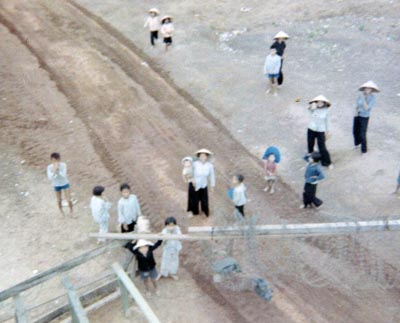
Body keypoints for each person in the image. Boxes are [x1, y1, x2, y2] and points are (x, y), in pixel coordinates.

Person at [353, 81, 380, 154]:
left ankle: (364, 150)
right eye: (366, 89)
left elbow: (367, 108)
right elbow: (357, 105)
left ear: (371, 90)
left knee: (362, 133)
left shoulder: (372, 98)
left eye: (369, 89)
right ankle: (357, 143)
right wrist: (355, 113)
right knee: (355, 131)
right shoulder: (360, 95)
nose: (367, 90)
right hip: (358, 115)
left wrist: (363, 99)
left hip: (364, 117)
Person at [307, 95, 333, 169]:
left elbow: (327, 122)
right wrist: (311, 106)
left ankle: (328, 162)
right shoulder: (314, 108)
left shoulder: (326, 111)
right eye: (318, 102)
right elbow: (309, 110)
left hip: (321, 130)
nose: (319, 103)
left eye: (321, 102)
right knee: (310, 144)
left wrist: (327, 131)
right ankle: (312, 159)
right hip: (311, 128)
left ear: (324, 103)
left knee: (322, 147)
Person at [193, 149, 215, 217]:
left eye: (204, 156)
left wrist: (212, 186)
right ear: (199, 157)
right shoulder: (195, 164)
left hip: (204, 185)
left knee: (204, 200)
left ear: (207, 157)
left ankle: (205, 212)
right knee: (195, 199)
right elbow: (190, 173)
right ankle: (195, 212)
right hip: (195, 185)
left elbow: (212, 175)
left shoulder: (209, 165)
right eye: (201, 156)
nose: (203, 157)